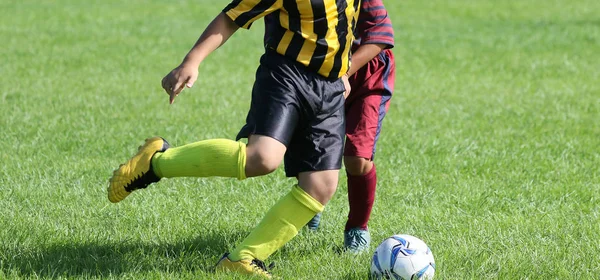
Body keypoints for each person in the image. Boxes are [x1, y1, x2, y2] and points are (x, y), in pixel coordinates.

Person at [107, 0, 359, 278]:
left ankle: (243, 258)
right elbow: (231, 17)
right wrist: (192, 61)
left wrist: (344, 69)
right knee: (262, 158)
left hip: (332, 88)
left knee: (321, 185)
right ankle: (156, 162)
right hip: (288, 76)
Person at [306, 0, 396, 254]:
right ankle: (310, 203)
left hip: (368, 76)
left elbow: (381, 37)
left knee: (357, 157)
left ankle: (357, 227)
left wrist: (344, 74)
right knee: (316, 147)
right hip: (324, 72)